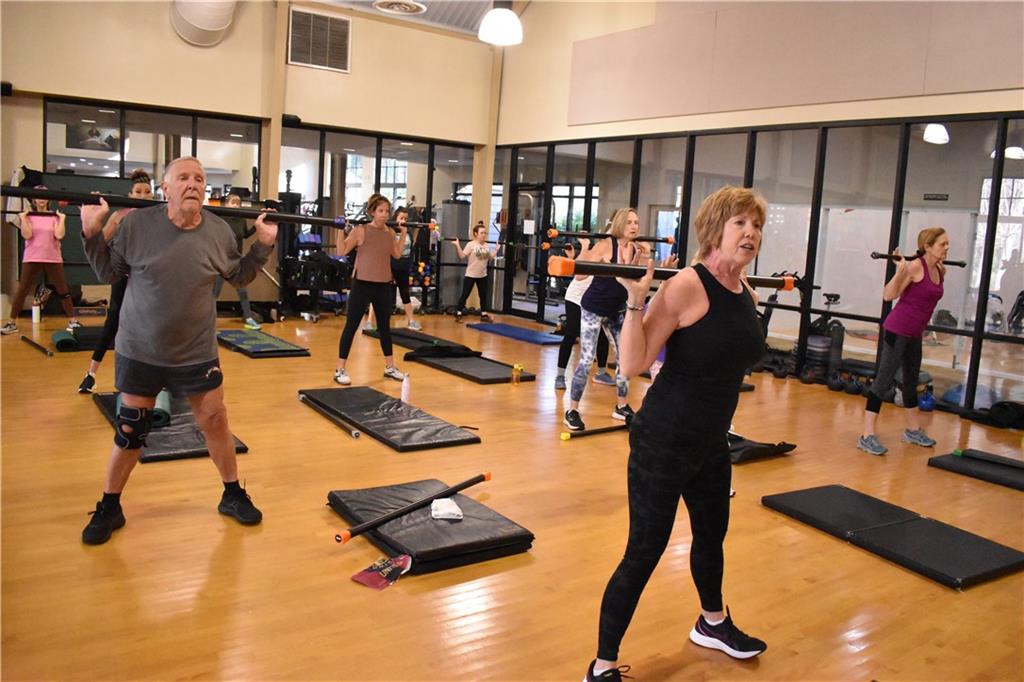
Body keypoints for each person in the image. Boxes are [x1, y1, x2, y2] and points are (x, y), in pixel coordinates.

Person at [582, 187, 769, 682]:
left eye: (756, 226)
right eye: (739, 224)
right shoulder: (687, 285)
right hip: (663, 439)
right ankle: (601, 667)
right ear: (715, 230)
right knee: (644, 550)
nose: (750, 233)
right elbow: (635, 363)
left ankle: (712, 623)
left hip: (710, 442)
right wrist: (636, 302)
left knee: (712, 536)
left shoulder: (743, 289)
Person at [78, 156, 277, 545]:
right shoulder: (137, 225)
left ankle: (232, 493)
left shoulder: (219, 232)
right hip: (140, 348)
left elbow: (239, 276)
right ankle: (109, 506)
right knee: (131, 429)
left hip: (195, 351)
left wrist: (263, 246)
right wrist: (90, 233)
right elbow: (108, 274)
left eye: (199, 179)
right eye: (183, 178)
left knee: (216, 421)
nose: (192, 184)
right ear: (164, 189)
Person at [858, 227, 949, 456]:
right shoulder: (914, 267)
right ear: (927, 246)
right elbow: (888, 295)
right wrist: (900, 271)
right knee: (884, 381)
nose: (946, 248)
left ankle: (912, 430)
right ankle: (867, 435)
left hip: (915, 334)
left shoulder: (940, 269)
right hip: (897, 330)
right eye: (942, 244)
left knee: (910, 381)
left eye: (947, 244)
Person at [564, 208, 648, 431]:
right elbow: (580, 274)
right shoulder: (606, 245)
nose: (634, 226)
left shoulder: (635, 249)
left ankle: (621, 406)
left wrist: (644, 258)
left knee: (625, 359)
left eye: (636, 222)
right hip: (593, 307)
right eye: (629, 222)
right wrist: (585, 251)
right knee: (586, 359)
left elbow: (636, 281)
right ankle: (572, 410)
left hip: (617, 310)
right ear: (620, 224)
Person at [77, 170, 154, 393]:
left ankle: (150, 379)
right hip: (122, 277)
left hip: (145, 280)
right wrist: (91, 222)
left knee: (148, 327)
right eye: (138, 192)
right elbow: (99, 243)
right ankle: (90, 374)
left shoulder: (157, 217)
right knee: (112, 324)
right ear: (130, 193)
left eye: (147, 192)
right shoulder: (119, 215)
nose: (143, 195)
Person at [334, 193, 408, 385]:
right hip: (362, 283)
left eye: (387, 211)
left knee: (384, 328)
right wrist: (339, 229)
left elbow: (398, 254)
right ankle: (340, 369)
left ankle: (390, 367)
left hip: (383, 284)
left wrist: (404, 234)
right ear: (372, 212)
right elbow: (341, 251)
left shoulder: (390, 233)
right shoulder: (361, 230)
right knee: (351, 326)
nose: (384, 214)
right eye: (380, 211)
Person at [2, 186, 80, 336]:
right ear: (34, 199)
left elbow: (59, 235)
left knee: (63, 289)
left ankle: (72, 320)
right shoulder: (29, 216)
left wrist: (62, 219)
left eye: (44, 196)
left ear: (48, 199)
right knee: (22, 290)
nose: (41, 199)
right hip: (32, 256)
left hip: (53, 257)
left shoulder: (54, 216)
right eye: (38, 196)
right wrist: (23, 218)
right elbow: (27, 235)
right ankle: (11, 323)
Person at [555, 238, 614, 391]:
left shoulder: (613, 256)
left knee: (602, 335)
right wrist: (585, 247)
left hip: (593, 300)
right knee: (571, 334)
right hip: (575, 298)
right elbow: (578, 273)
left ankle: (601, 373)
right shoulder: (593, 252)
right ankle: (560, 375)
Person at [364, 206, 421, 331]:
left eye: (406, 218)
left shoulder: (409, 233)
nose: (404, 220)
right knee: (379, 293)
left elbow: (413, 245)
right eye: (401, 218)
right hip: (389, 265)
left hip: (403, 267)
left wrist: (415, 226)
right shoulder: (389, 231)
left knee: (405, 293)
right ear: (396, 218)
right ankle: (369, 321)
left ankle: (411, 321)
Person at [213, 193, 261, 330]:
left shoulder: (241, 220)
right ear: (227, 204)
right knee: (214, 293)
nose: (235, 205)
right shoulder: (221, 219)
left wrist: (257, 227)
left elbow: (245, 235)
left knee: (242, 291)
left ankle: (248, 318)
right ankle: (207, 321)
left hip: (236, 261)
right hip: (221, 261)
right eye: (233, 202)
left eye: (237, 203)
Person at [452, 221, 496, 318]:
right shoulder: (470, 245)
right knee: (465, 294)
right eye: (482, 233)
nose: (484, 235)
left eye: (485, 233)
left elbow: (490, 257)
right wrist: (457, 245)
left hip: (482, 275)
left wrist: (496, 249)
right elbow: (462, 256)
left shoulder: (486, 245)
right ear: (476, 234)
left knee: (483, 295)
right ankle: (459, 311)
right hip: (471, 274)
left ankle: (483, 313)